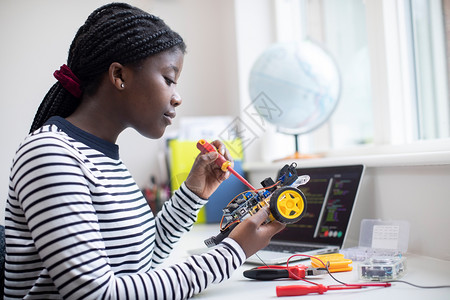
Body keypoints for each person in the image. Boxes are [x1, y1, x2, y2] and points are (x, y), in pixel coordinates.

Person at [3, 3, 285, 299]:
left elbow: (140, 261)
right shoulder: (49, 155)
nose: (177, 98)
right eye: (169, 79)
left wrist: (193, 193)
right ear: (119, 75)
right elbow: (95, 294)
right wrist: (234, 251)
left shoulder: (104, 158)